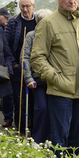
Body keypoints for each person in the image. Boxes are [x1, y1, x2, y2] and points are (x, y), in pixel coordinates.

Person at [30, 0, 79, 157]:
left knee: (77, 138)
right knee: (59, 139)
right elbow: (37, 58)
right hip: (61, 92)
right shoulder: (49, 23)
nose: (71, 1)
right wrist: (56, 78)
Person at [5, 0, 36, 133]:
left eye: (27, 6)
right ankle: (20, 130)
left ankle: (35, 129)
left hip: (35, 68)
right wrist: (13, 64)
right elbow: (6, 45)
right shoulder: (13, 22)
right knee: (19, 100)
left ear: (33, 7)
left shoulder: (39, 21)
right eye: (22, 6)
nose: (25, 9)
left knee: (35, 100)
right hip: (18, 67)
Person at [22, 9, 53, 144]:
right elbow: (25, 57)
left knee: (53, 109)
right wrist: (28, 78)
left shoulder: (54, 35)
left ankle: (51, 139)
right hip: (37, 80)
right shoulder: (31, 36)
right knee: (41, 108)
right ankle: (38, 139)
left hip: (54, 80)